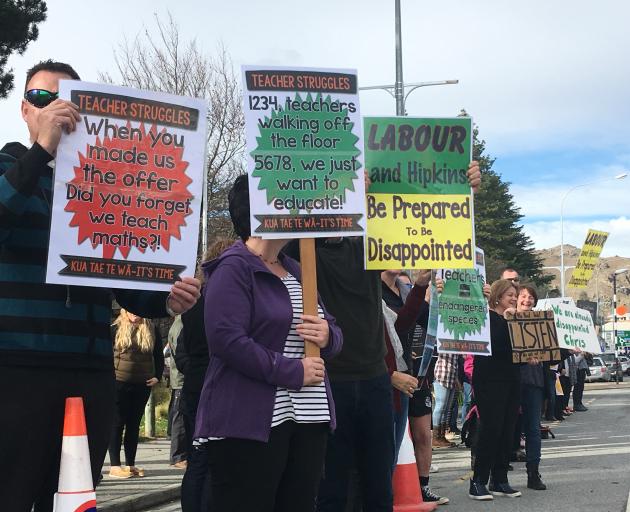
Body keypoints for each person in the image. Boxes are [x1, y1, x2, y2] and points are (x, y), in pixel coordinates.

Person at [0, 60, 201, 512]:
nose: (53, 107)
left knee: (74, 498)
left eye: (65, 99)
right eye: (41, 97)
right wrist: (42, 154)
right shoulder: (10, 165)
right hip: (17, 370)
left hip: (89, 371)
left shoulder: (103, 180)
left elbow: (125, 286)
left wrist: (166, 297)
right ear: (24, 111)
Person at [195, 175, 343, 512]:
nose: (301, 211)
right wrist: (292, 371)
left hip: (308, 419)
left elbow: (330, 328)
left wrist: (328, 336)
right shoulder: (233, 268)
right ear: (264, 210)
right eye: (290, 201)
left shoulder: (296, 270)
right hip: (250, 424)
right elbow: (226, 340)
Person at [469, 280, 522, 501]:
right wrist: (510, 319)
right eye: (509, 294)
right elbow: (497, 342)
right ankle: (478, 481)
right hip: (489, 380)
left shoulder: (515, 320)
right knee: (491, 429)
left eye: (515, 295)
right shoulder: (487, 318)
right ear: (498, 296)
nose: (513, 298)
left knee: (508, 430)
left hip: (512, 379)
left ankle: (500, 480)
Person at [108, 310, 165, 478]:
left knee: (133, 426)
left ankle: (130, 464)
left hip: (142, 384)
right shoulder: (115, 328)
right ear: (124, 311)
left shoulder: (151, 329)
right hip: (119, 382)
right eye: (130, 310)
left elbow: (158, 355)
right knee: (117, 423)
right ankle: (114, 465)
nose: (135, 314)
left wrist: (157, 376)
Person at [511, 285, 547, 490]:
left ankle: (533, 473)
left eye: (531, 297)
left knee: (533, 429)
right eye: (523, 296)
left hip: (533, 382)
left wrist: (569, 350)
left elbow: (552, 353)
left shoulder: (542, 322)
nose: (527, 300)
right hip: (510, 380)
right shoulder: (506, 319)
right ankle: (497, 473)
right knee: (506, 427)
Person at [167, 315, 187, 470]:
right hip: (181, 379)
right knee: (179, 418)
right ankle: (177, 456)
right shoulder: (181, 324)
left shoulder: (180, 322)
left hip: (180, 377)